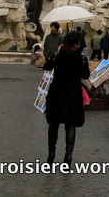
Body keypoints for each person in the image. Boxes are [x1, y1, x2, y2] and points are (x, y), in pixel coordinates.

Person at [43, 31, 90, 165]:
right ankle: (68, 156)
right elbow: (86, 75)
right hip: (73, 93)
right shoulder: (81, 58)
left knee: (54, 124)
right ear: (76, 44)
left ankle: (51, 154)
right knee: (70, 124)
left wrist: (56, 54)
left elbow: (46, 67)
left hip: (57, 91)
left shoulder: (57, 56)